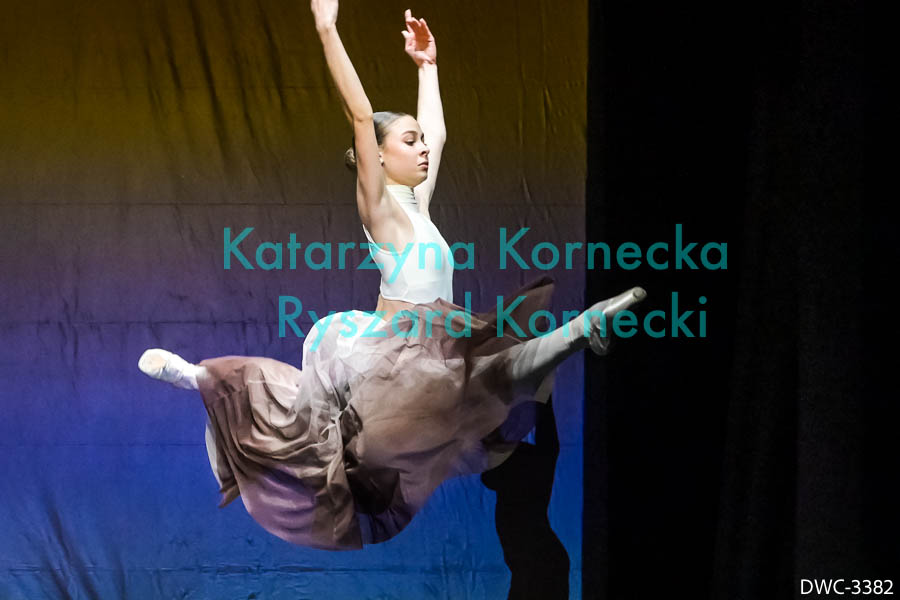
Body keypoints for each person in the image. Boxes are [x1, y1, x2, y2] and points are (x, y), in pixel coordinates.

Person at [137, 2, 646, 551]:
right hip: (394, 352)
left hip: (438, 344)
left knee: (494, 372)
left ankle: (583, 329)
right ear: (377, 158)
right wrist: (327, 30)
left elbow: (439, 135)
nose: (423, 147)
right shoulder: (381, 210)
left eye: (419, 141)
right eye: (409, 141)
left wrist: (427, 67)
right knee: (306, 422)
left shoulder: (418, 206)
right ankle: (200, 377)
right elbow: (361, 117)